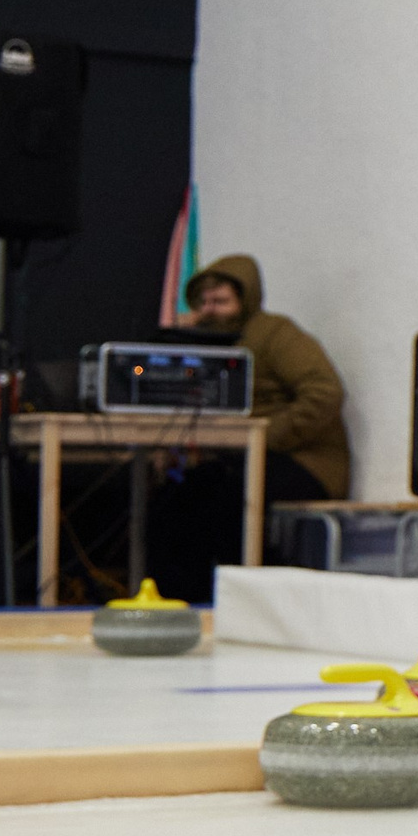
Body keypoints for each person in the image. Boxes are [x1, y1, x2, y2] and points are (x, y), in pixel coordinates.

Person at [146, 253, 350, 601]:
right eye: (204, 303)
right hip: (241, 459)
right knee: (174, 498)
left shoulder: (275, 333)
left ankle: (239, 600)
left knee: (224, 498)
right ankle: (182, 603)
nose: (210, 311)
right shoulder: (204, 344)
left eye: (221, 302)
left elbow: (325, 392)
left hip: (305, 462)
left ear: (246, 299)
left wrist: (265, 437)